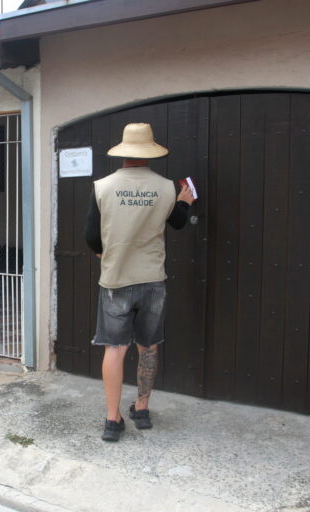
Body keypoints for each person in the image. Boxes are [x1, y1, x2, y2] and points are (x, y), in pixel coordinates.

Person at [85, 123, 195, 442]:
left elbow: (91, 236)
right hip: (152, 281)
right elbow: (176, 223)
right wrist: (184, 200)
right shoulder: (164, 187)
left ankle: (111, 419)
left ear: (123, 152)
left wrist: (102, 256)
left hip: (116, 280)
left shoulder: (102, 186)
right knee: (148, 346)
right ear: (149, 152)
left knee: (115, 349)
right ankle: (142, 409)